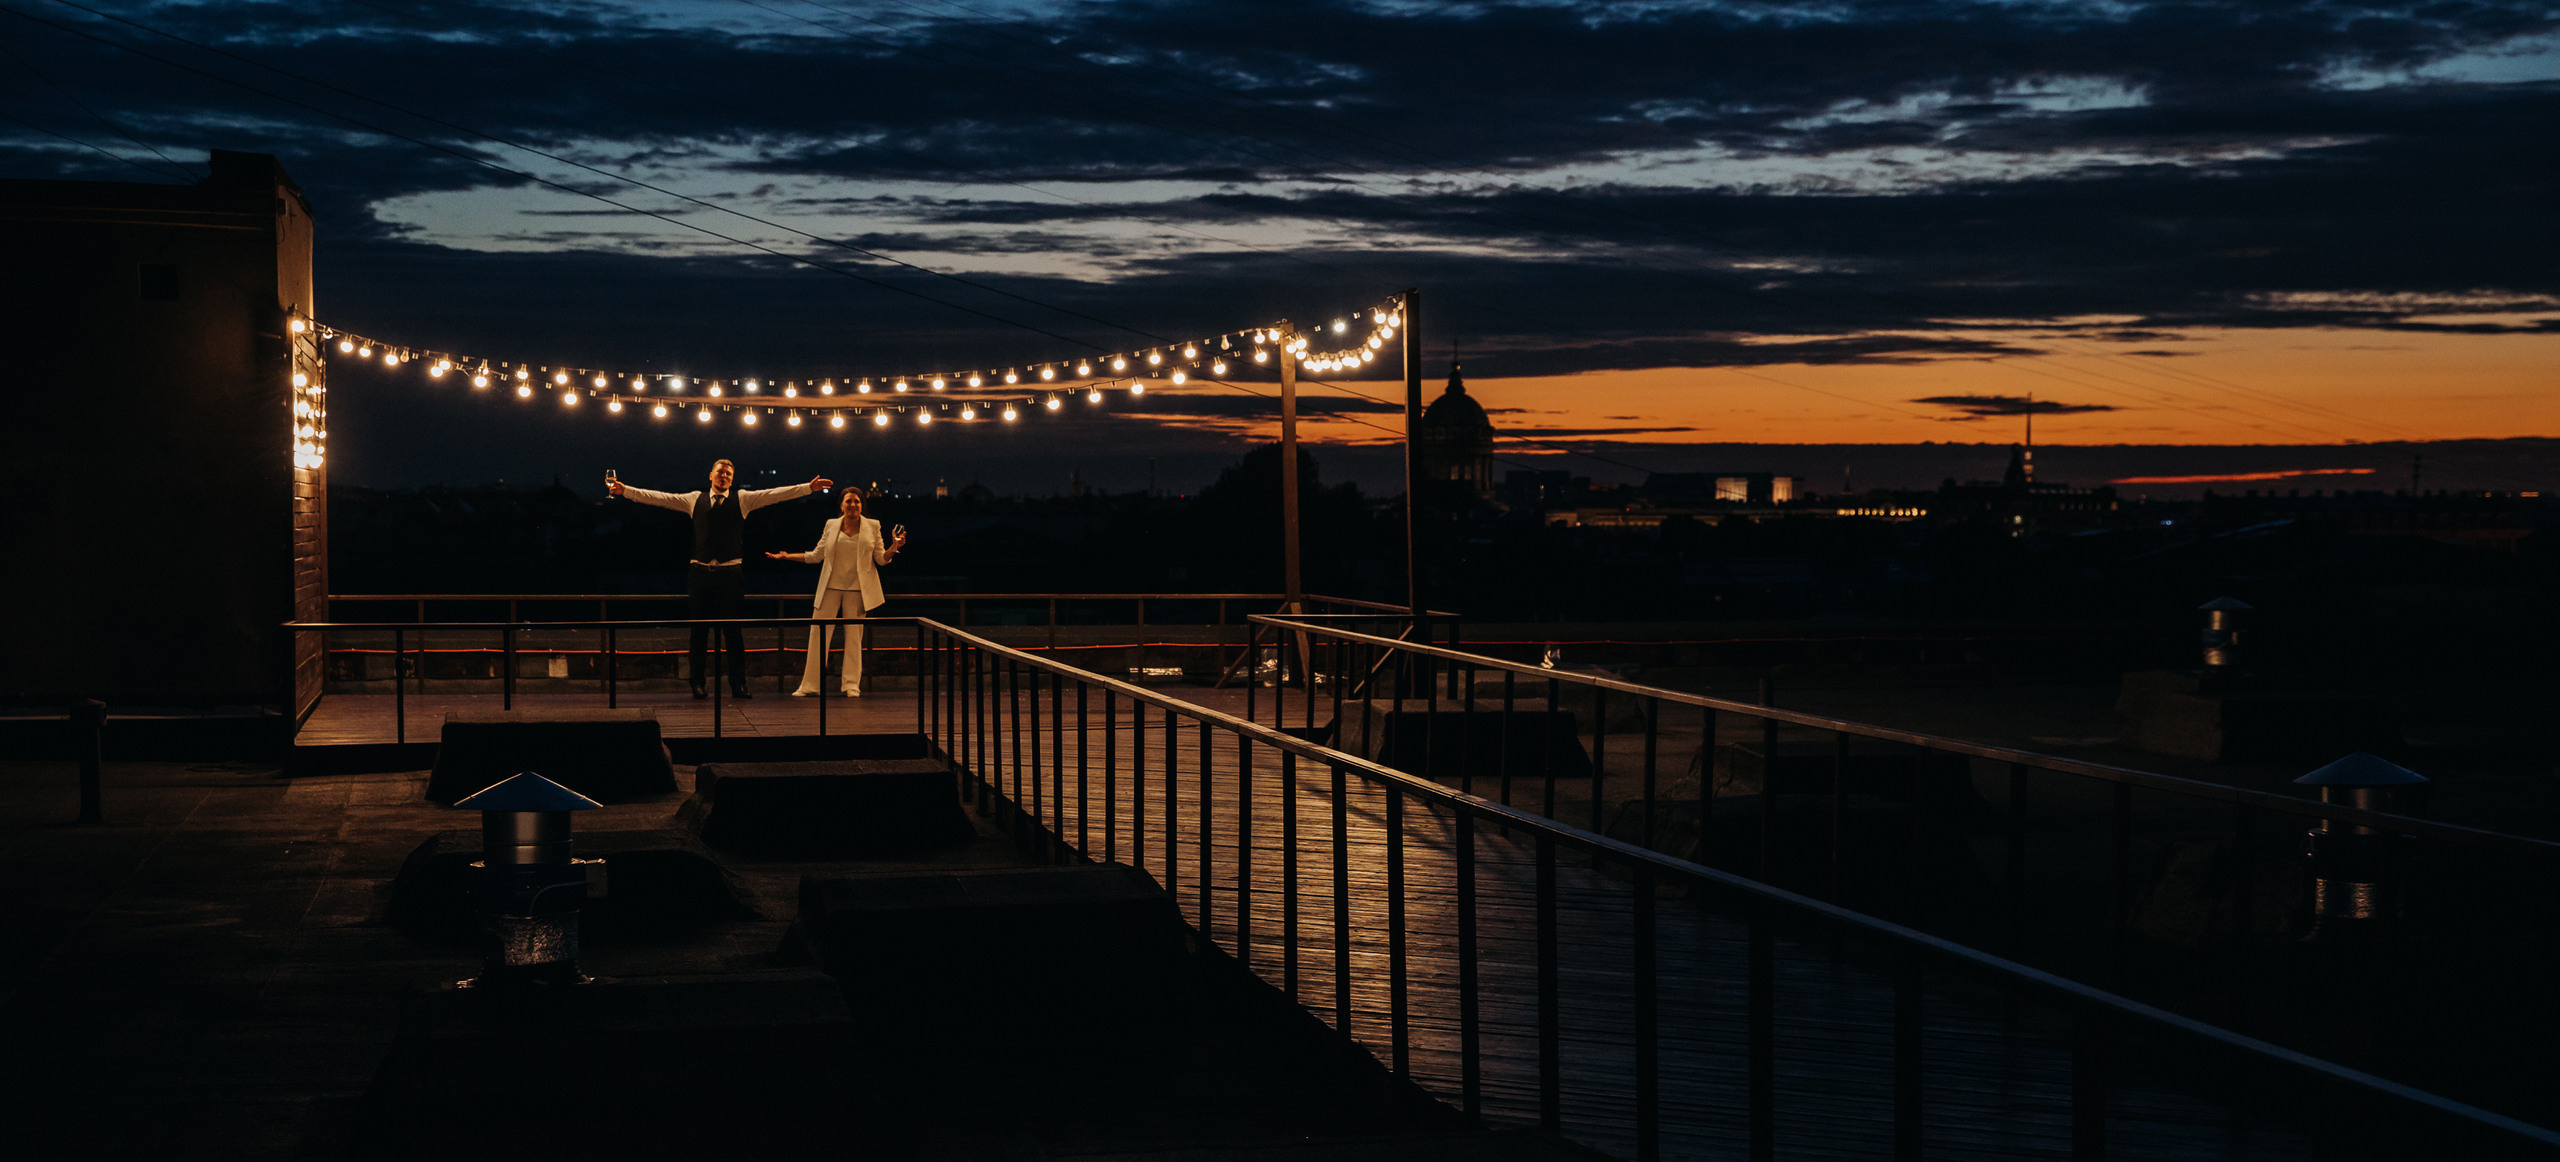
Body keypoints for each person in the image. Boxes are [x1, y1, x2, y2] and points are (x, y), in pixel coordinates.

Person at [609, 460, 832, 699]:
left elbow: (774, 495)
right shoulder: (694, 499)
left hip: (731, 573)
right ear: (710, 476)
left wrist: (808, 488)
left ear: (731, 479)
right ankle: (697, 683)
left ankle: (739, 684)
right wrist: (626, 491)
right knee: (698, 631)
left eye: (728, 474)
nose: (724, 476)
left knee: (733, 632)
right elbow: (661, 498)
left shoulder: (743, 499)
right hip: (700, 572)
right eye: (720, 473)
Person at [765, 489, 905, 696]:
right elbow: (816, 555)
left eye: (857, 501)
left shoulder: (872, 526)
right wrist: (787, 556)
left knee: (854, 638)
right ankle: (810, 685)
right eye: (848, 501)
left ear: (861, 505)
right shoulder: (831, 524)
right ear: (841, 505)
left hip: (858, 589)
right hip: (830, 586)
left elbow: (881, 559)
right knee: (818, 634)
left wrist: (894, 546)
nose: (853, 505)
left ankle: (851, 685)